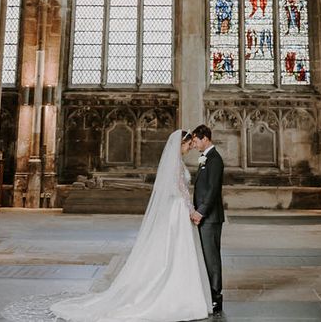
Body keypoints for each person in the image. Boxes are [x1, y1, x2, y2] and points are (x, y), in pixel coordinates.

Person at [49, 130, 212, 322]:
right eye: (187, 145)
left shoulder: (176, 162)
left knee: (176, 250)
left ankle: (182, 291)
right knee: (176, 250)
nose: (189, 148)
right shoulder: (176, 164)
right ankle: (178, 294)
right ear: (180, 144)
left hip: (176, 209)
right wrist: (191, 209)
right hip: (177, 210)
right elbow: (181, 189)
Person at [191, 124, 225, 314]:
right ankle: (210, 293)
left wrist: (201, 211)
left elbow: (213, 190)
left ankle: (216, 297)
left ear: (206, 139)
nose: (195, 145)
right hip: (206, 217)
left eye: (196, 141)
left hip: (210, 217)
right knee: (206, 256)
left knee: (212, 258)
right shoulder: (207, 158)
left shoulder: (215, 160)